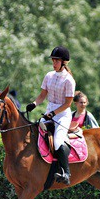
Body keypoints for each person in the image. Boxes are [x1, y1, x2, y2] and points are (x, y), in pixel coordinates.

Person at [26, 46, 76, 185]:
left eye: (56, 61)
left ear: (64, 62)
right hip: (49, 113)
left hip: (62, 115)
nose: (54, 63)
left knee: (58, 141)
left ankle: (66, 173)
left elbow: (67, 104)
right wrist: (34, 104)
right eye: (53, 61)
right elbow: (42, 95)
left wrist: (53, 113)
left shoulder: (69, 80)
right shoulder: (49, 76)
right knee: (34, 133)